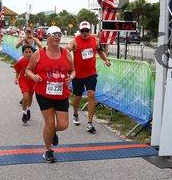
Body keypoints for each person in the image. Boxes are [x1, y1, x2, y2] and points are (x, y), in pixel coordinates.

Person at [25, 26, 75, 163]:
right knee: (50, 123)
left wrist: (71, 77)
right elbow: (28, 70)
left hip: (61, 94)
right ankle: (48, 150)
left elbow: (73, 70)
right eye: (54, 34)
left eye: (59, 34)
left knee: (63, 125)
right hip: (43, 93)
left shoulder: (66, 53)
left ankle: (52, 132)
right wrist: (34, 76)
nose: (57, 37)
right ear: (47, 36)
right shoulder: (38, 54)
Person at [66, 21, 111, 132]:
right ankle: (75, 114)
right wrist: (68, 49)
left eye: (87, 30)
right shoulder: (75, 41)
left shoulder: (95, 40)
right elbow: (68, 48)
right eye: (83, 31)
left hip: (91, 73)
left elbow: (100, 51)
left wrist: (106, 60)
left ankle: (90, 123)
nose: (85, 33)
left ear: (90, 31)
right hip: (78, 74)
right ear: (80, 31)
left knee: (91, 94)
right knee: (77, 97)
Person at [14, 45, 36, 123]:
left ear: (33, 52)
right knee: (26, 96)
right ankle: (24, 113)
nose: (28, 53)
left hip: (33, 81)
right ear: (23, 53)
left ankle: (28, 109)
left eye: (30, 52)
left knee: (30, 97)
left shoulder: (36, 61)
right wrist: (16, 78)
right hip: (23, 81)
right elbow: (18, 70)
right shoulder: (21, 61)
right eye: (26, 52)